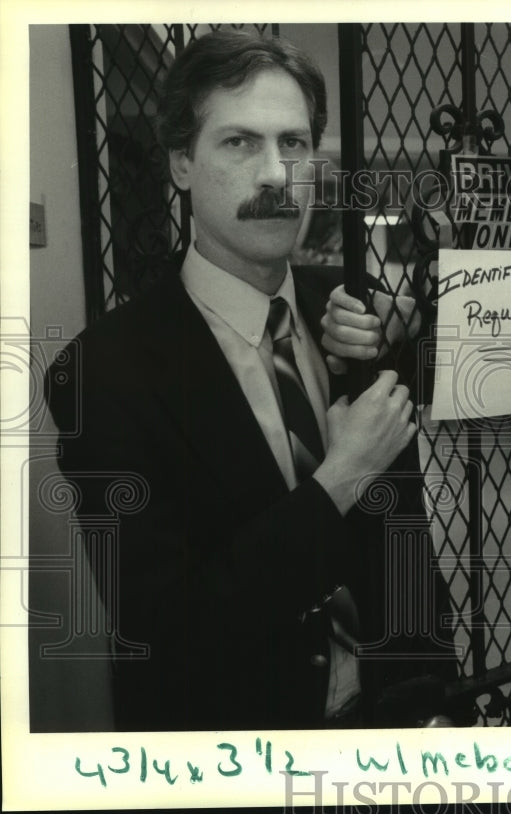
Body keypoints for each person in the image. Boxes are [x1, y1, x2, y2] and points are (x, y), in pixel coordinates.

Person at [45, 30, 461, 731]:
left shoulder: (353, 313)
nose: (276, 175)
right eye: (239, 143)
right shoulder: (103, 373)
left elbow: (403, 547)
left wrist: (435, 698)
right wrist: (341, 479)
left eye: (294, 144)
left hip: (391, 730)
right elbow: (163, 626)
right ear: (182, 163)